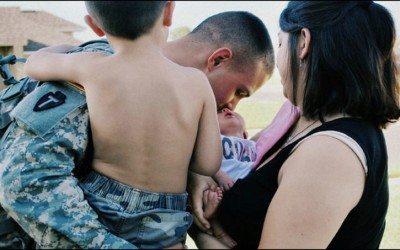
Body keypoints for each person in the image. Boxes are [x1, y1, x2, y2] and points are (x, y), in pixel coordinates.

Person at [0, 8, 275, 249]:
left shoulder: (97, 69)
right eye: (239, 91)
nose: (233, 106)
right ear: (217, 59)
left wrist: (187, 174)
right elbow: (25, 183)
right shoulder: (99, 68)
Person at [189, 1, 400, 248]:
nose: (278, 59)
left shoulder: (330, 153)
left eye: (280, 43)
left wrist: (199, 231)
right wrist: (195, 178)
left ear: (303, 42)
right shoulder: (298, 120)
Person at [213, 108, 256, 191]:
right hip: (228, 183)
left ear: (245, 134)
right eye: (219, 112)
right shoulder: (215, 138)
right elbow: (202, 160)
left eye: (237, 114)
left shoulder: (252, 144)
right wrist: (219, 175)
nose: (226, 109)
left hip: (253, 180)